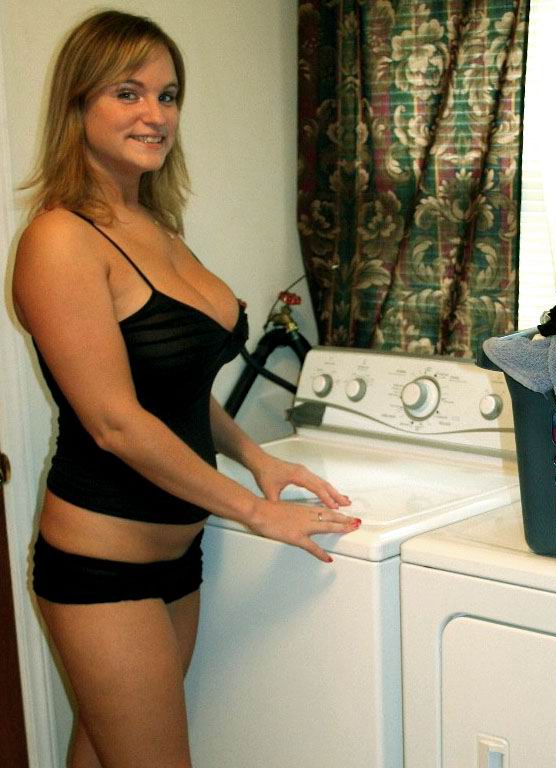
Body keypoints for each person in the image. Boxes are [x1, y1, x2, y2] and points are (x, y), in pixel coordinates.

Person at [12, 10, 360, 768]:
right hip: (102, 566)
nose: (155, 114)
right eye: (128, 93)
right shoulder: (60, 239)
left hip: (178, 556)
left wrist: (256, 458)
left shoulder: (156, 226)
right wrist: (255, 512)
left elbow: (171, 388)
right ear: (78, 103)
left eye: (168, 95)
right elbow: (114, 421)